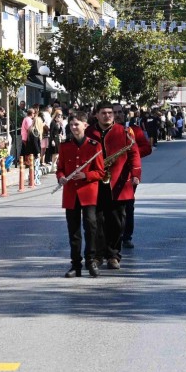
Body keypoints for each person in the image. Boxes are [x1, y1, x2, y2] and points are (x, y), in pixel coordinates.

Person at [86, 104, 141, 270]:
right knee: (96, 222)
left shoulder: (124, 131)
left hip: (118, 183)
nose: (108, 116)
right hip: (95, 183)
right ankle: (97, 256)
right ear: (96, 115)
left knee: (117, 222)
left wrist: (136, 175)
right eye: (103, 113)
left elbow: (134, 154)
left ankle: (113, 255)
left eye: (110, 113)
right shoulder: (88, 132)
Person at [57, 112, 105, 278]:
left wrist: (86, 175)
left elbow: (100, 172)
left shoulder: (94, 146)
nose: (73, 127)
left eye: (77, 124)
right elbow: (60, 168)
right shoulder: (65, 146)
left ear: (85, 125)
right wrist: (61, 177)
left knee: (91, 227)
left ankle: (91, 261)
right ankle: (75, 265)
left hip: (88, 193)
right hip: (71, 194)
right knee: (74, 231)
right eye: (71, 125)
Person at [114, 103, 151, 250]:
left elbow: (147, 148)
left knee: (127, 207)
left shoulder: (133, 130)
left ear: (124, 114)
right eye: (114, 112)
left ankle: (126, 236)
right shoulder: (104, 131)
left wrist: (128, 155)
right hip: (109, 174)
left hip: (128, 175)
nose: (117, 115)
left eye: (119, 112)